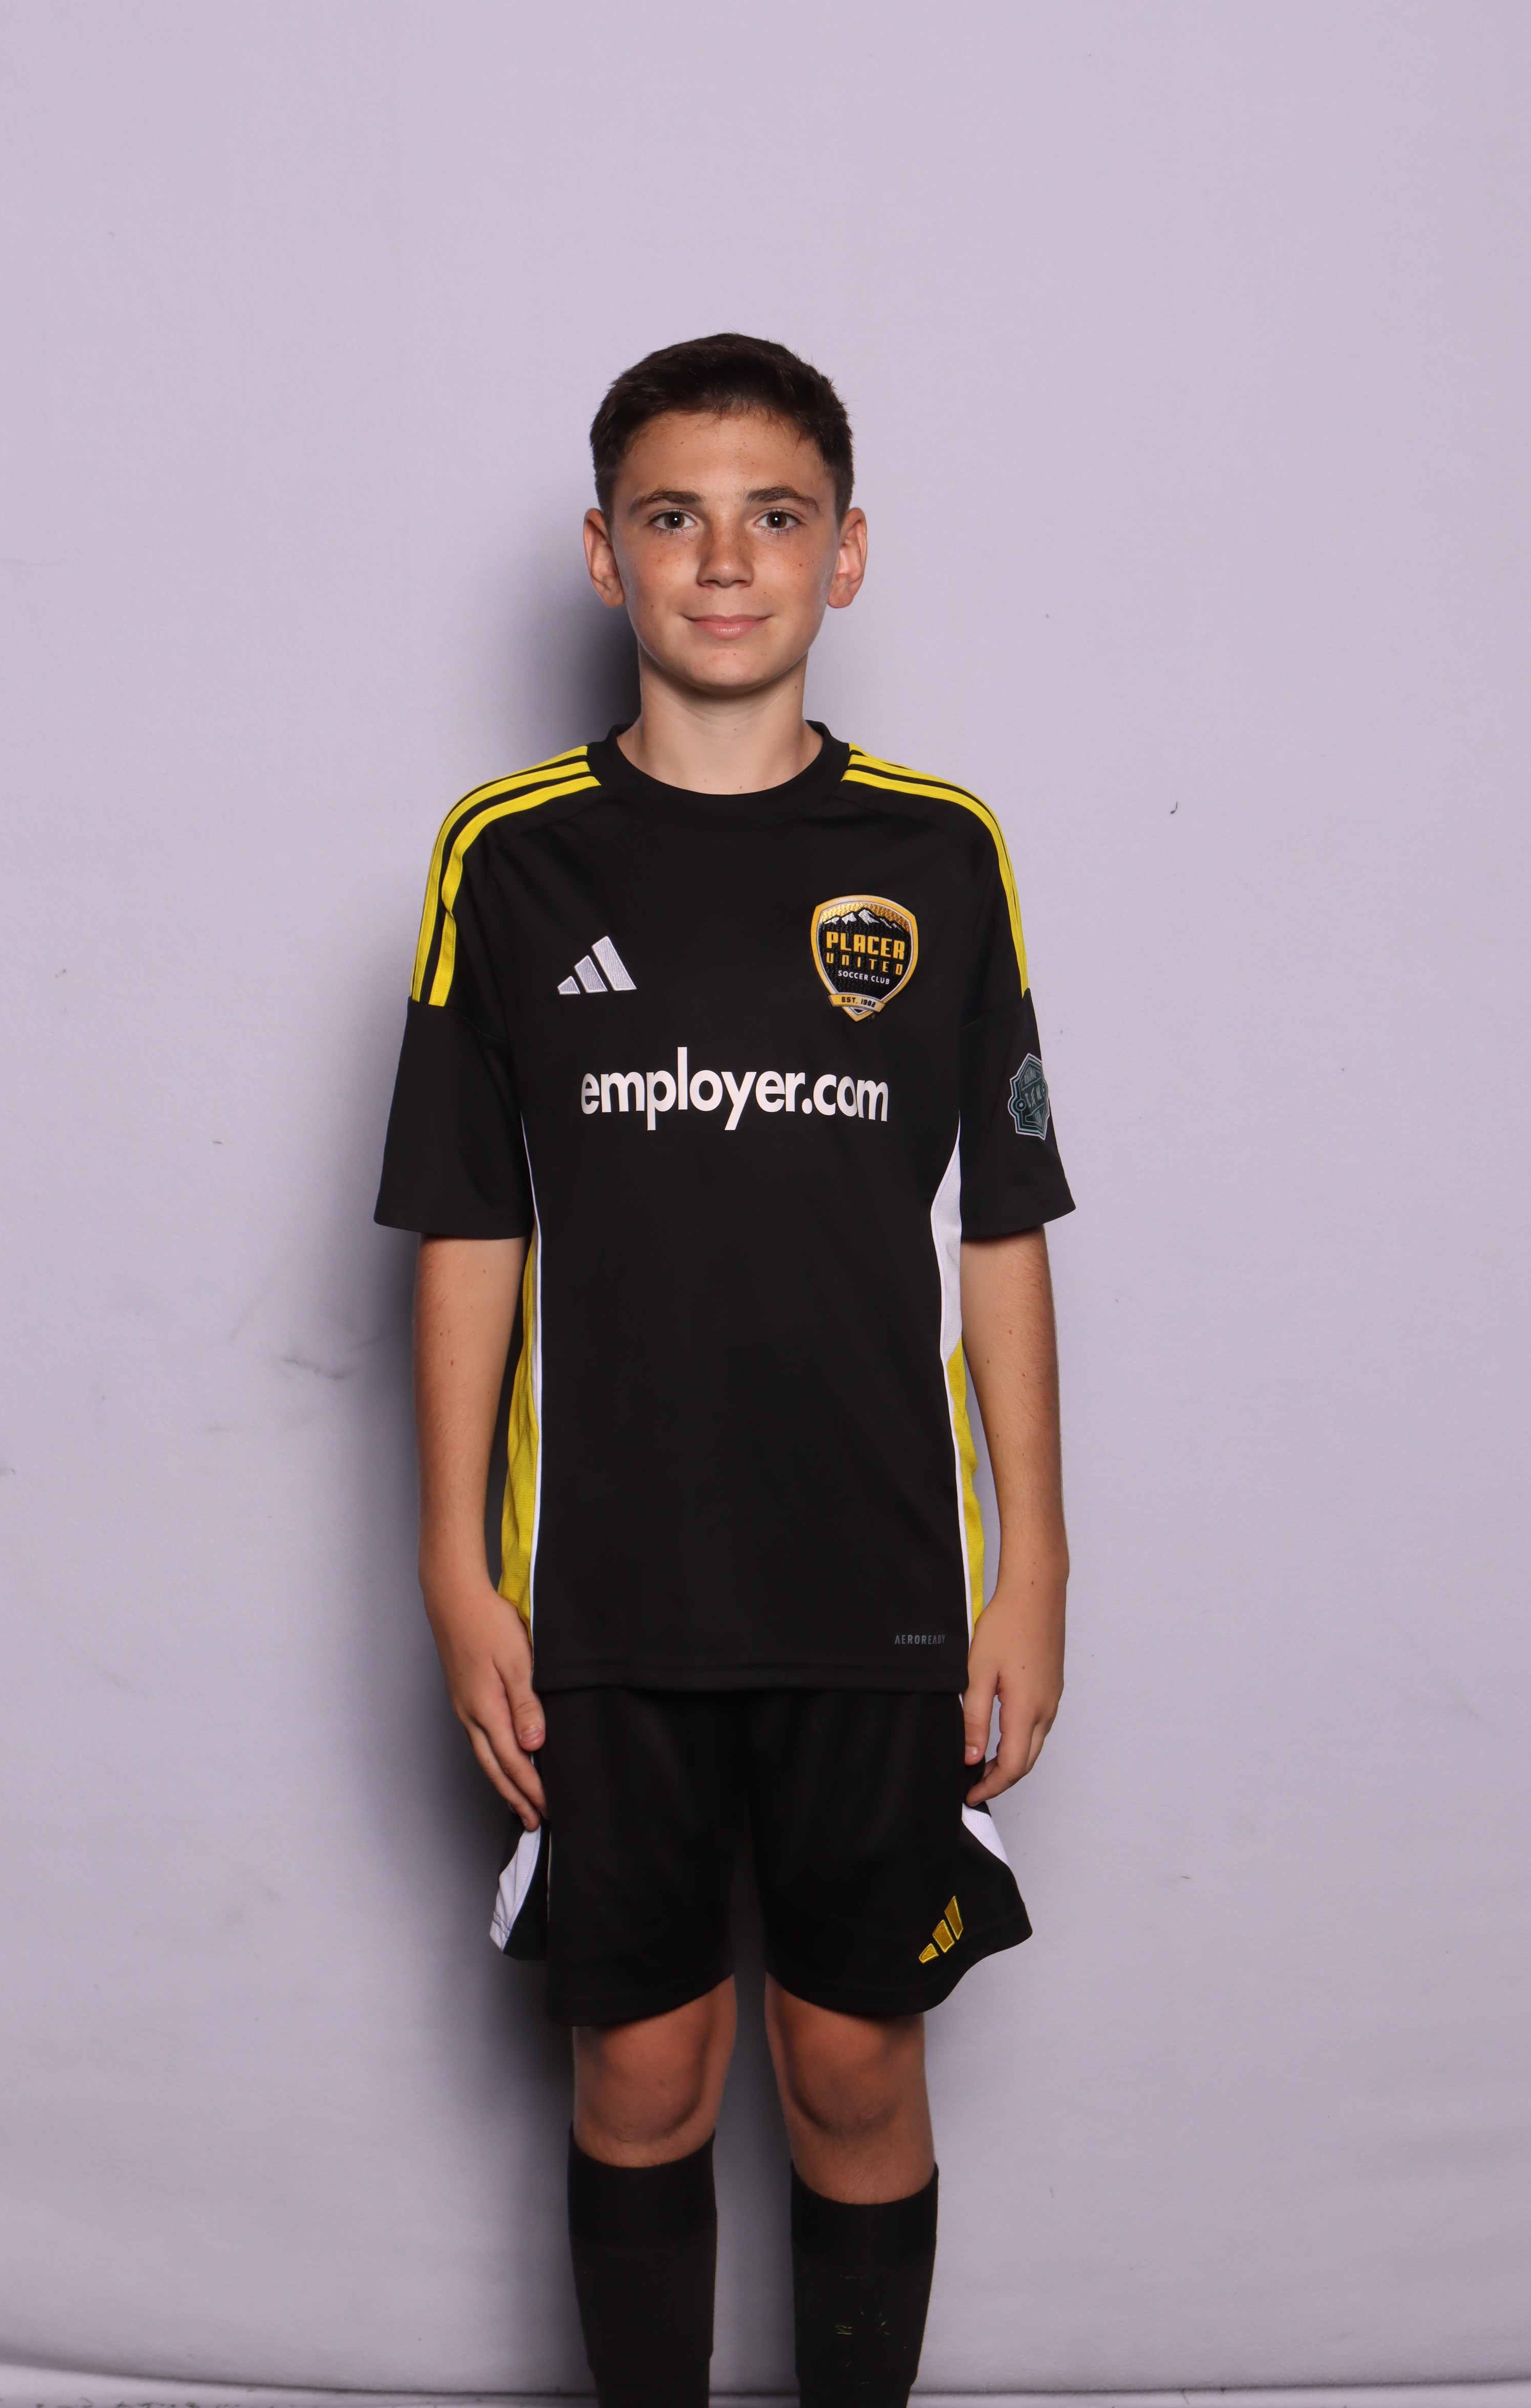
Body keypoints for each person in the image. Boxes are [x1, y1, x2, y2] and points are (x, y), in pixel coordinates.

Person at [375, 333, 1073, 2408]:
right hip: (604, 1593)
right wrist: (450, 1567)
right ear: (605, 556)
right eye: (672, 516)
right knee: (644, 2064)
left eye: (775, 516)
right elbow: (469, 1230)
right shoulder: (506, 857)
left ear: (845, 555)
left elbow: (998, 1230)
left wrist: (1034, 1562)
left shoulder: (942, 851)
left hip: (878, 1583)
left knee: (851, 2060)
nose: (724, 559)